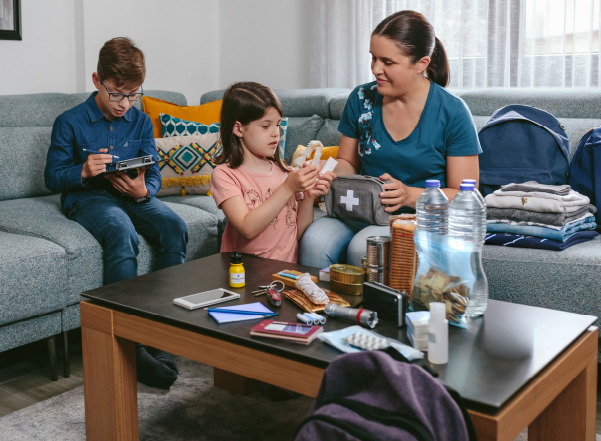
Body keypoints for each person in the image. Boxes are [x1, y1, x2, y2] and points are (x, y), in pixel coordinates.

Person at [44, 37, 185, 389]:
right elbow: (51, 177)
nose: (125, 103)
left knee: (174, 226)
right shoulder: (69, 121)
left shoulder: (140, 121)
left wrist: (146, 190)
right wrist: (84, 171)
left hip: (132, 194)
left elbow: (153, 171)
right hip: (89, 198)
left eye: (134, 94)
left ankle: (161, 334)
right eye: (117, 94)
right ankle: (129, 342)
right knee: (121, 232)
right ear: (96, 80)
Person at [299, 10, 481, 268]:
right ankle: (315, 307)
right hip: (362, 208)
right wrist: (325, 171)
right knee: (314, 242)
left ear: (421, 63)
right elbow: (347, 163)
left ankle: (369, 310)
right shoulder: (361, 98)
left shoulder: (452, 112)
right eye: (373, 58)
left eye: (388, 61)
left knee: (364, 247)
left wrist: (408, 195)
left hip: (418, 215)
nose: (376, 69)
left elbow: (465, 194)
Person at [210, 82, 335, 263]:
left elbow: (297, 234)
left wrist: (309, 196)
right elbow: (247, 228)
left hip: (285, 274)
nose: (276, 133)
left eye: (278, 125)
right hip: (245, 274)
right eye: (265, 126)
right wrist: (287, 188)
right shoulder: (225, 175)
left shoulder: (286, 173)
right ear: (238, 129)